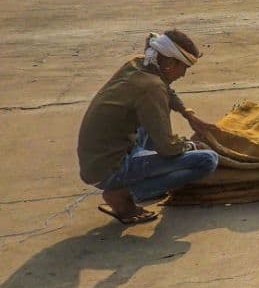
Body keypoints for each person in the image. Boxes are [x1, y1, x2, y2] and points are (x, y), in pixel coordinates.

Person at [78, 30, 219, 225]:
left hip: (97, 159)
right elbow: (168, 147)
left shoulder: (138, 64)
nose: (184, 74)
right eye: (184, 67)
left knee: (159, 110)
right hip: (110, 169)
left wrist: (188, 114)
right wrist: (190, 146)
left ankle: (143, 170)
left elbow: (166, 90)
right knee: (208, 160)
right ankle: (127, 193)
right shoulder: (152, 88)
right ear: (170, 64)